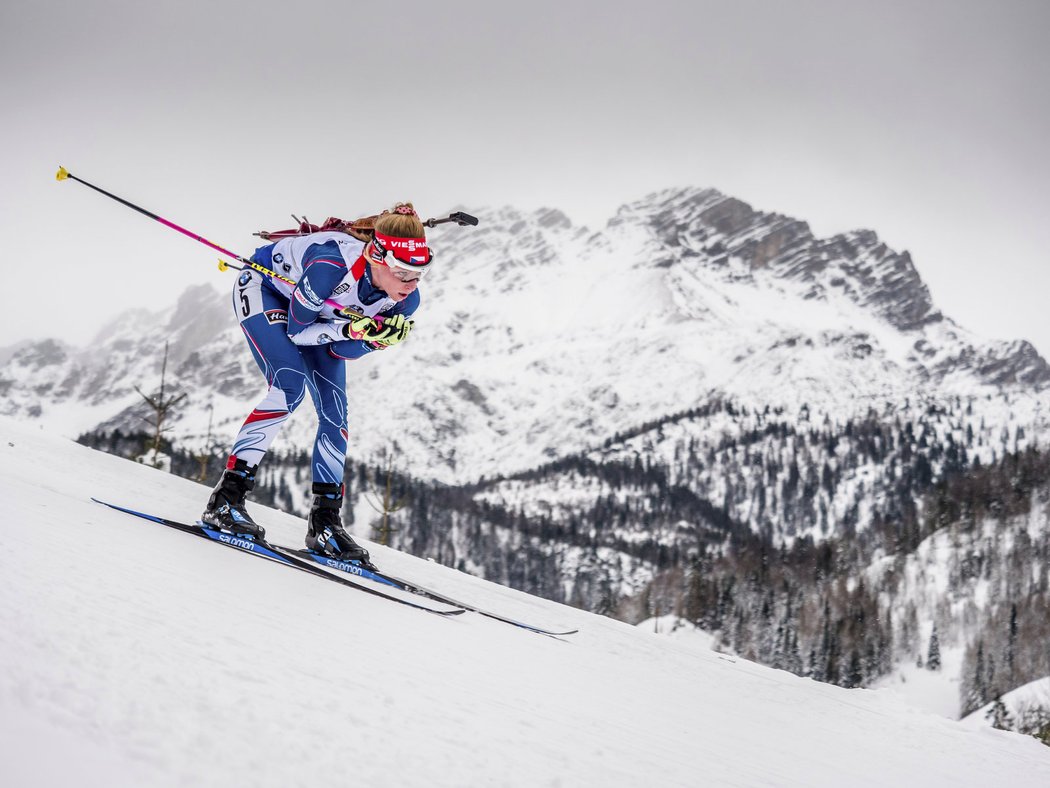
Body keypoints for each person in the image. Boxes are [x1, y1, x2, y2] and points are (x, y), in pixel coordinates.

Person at [201, 203, 432, 566]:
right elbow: (298, 333)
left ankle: (324, 522)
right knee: (289, 388)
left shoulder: (406, 300)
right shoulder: (329, 267)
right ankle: (226, 499)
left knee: (335, 415)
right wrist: (352, 327)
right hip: (268, 291)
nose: (410, 284)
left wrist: (372, 339)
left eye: (420, 273)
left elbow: (340, 350)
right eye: (403, 273)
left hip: (320, 315)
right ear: (376, 257)